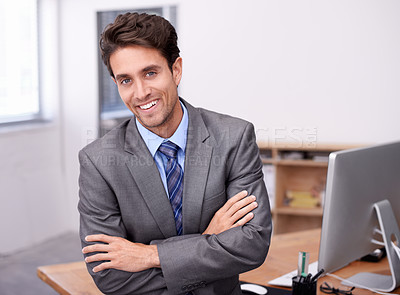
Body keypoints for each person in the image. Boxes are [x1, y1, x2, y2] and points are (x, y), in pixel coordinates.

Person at [78, 12, 272, 295]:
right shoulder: (97, 161)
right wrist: (209, 239)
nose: (141, 92)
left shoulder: (234, 137)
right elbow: (111, 276)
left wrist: (148, 256)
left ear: (176, 70)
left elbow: (252, 244)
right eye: (125, 80)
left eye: (150, 73)